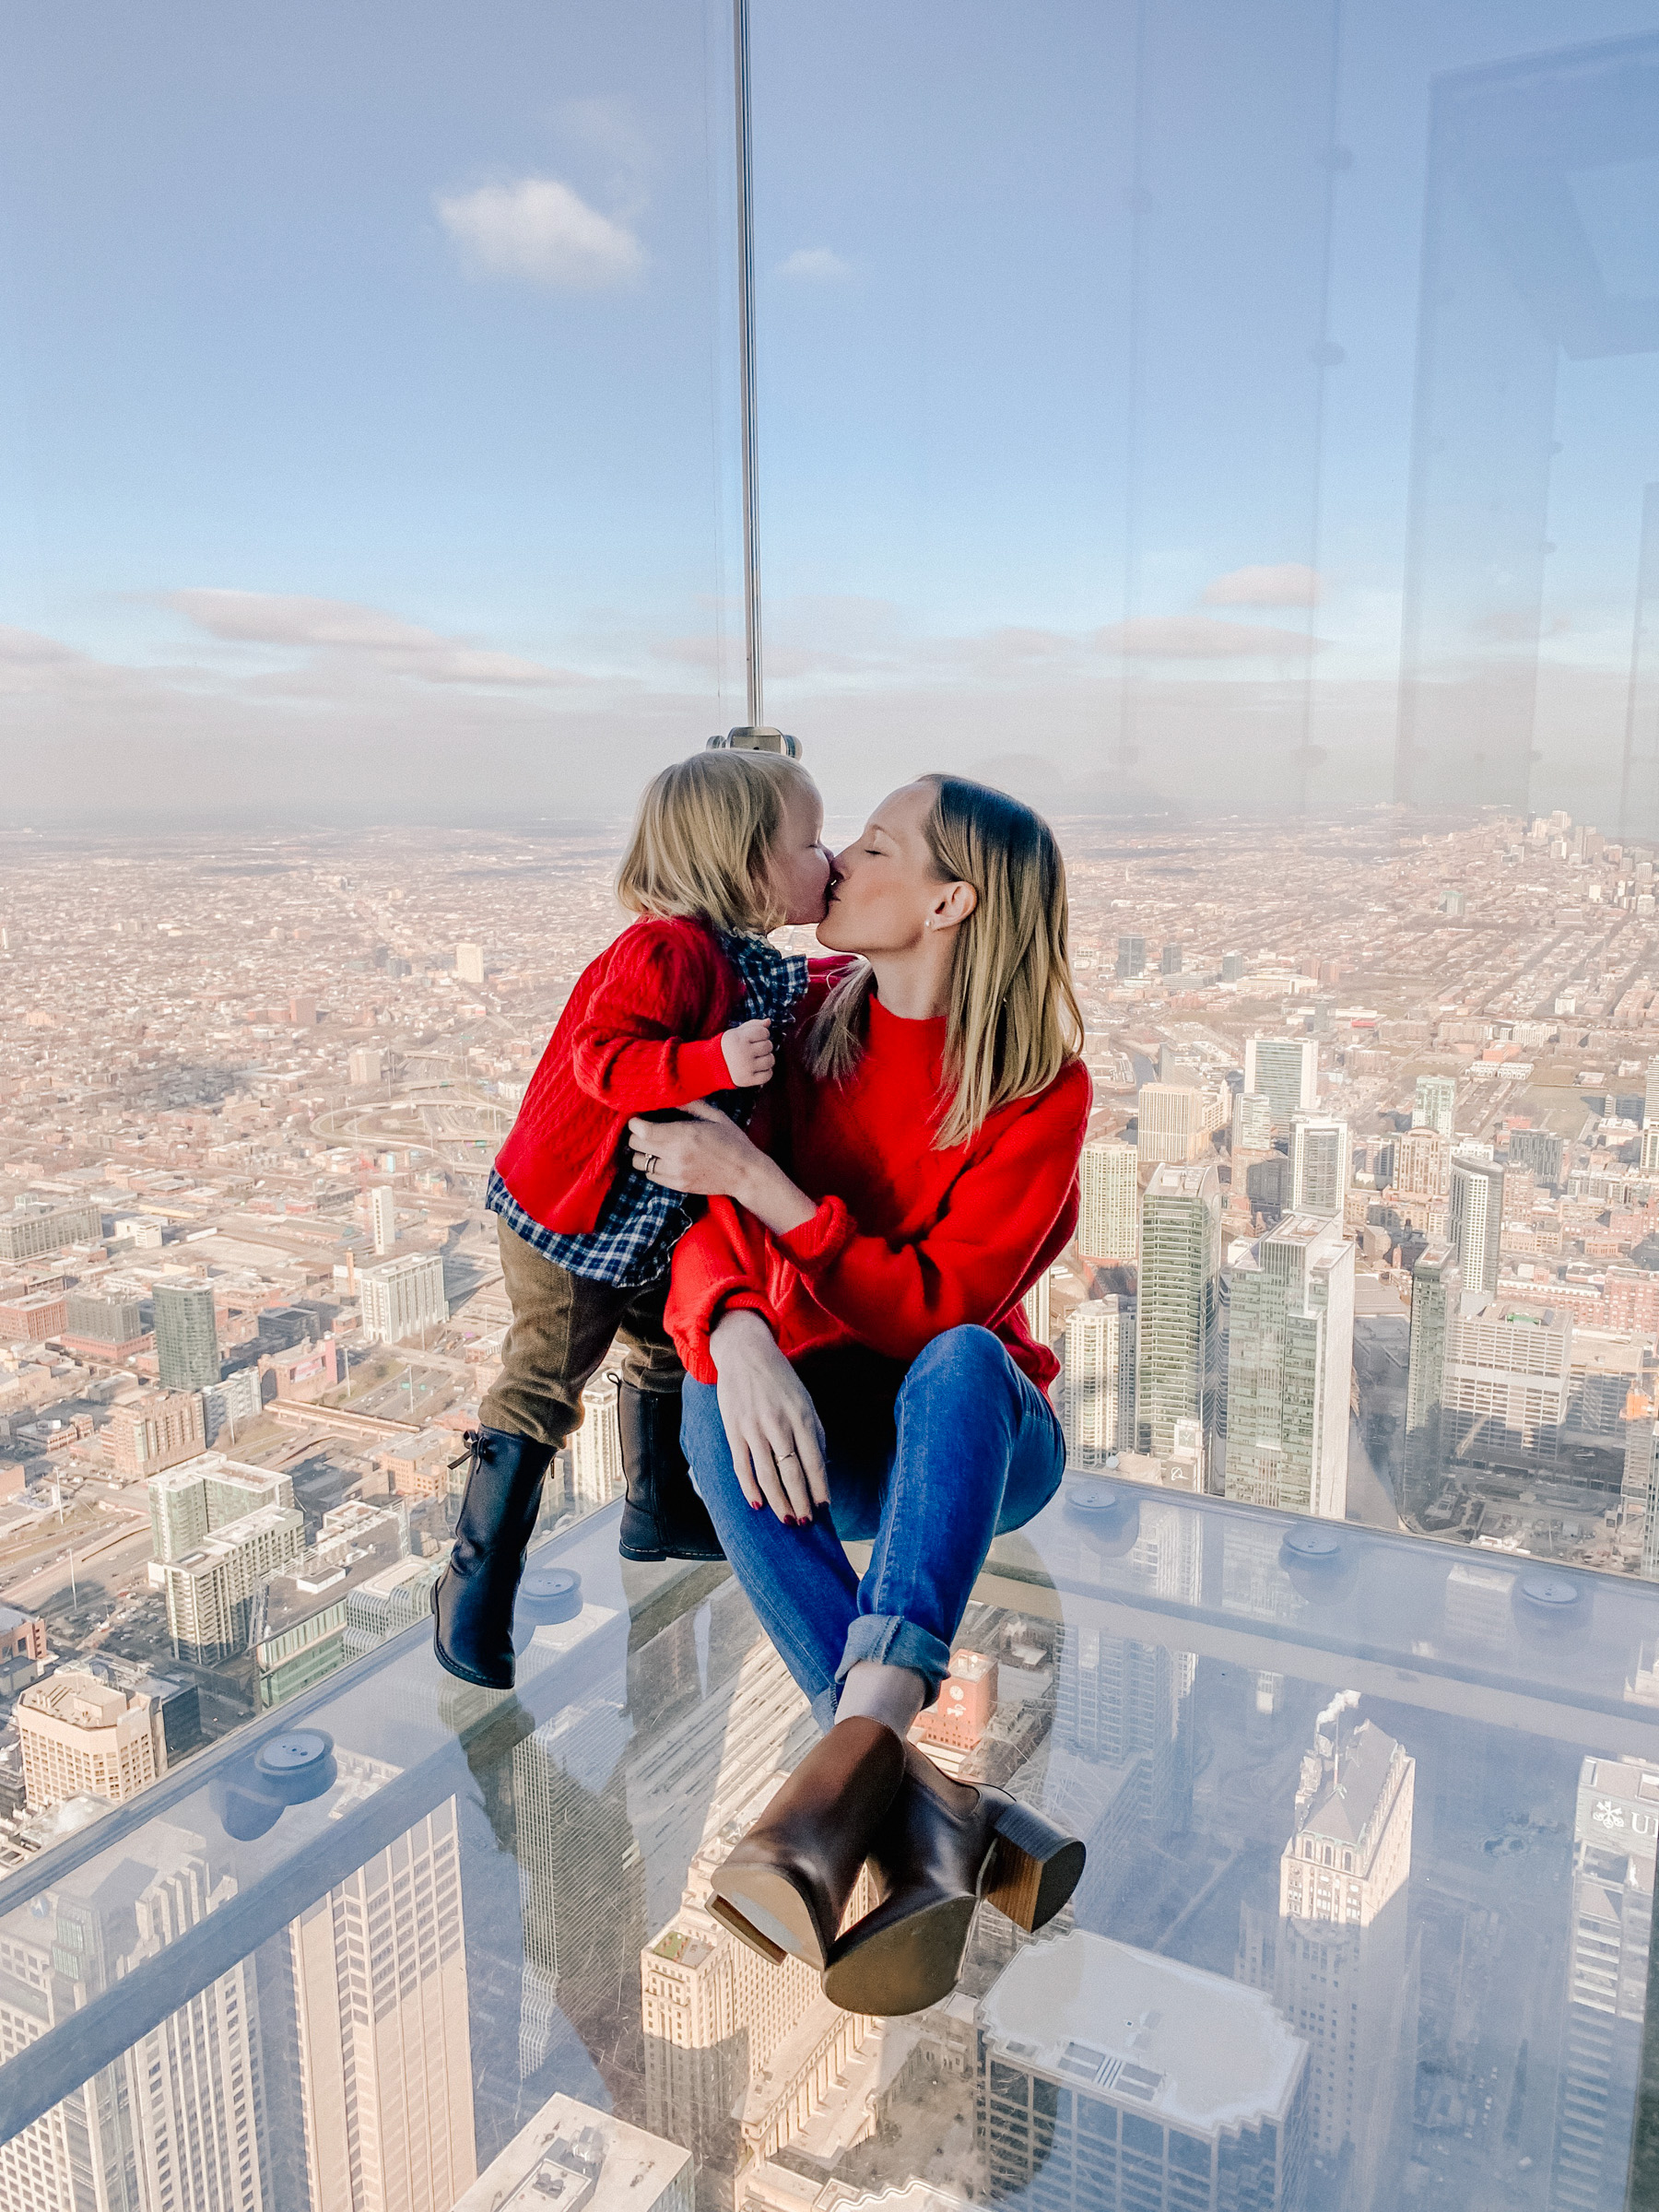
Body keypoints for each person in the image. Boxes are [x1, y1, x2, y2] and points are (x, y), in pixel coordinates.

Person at [628, 774, 1090, 2017]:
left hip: (976, 1439)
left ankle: (862, 1749)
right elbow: (701, 1218)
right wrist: (736, 1324)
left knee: (956, 1362)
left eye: (876, 847)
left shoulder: (1039, 1091)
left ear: (949, 900)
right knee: (707, 1397)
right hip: (835, 1439)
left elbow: (939, 1312)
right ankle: (919, 1802)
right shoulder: (807, 1017)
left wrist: (769, 1191)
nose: (834, 864)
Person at [432, 748, 831, 1689]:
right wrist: (713, 1065)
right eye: (810, 844)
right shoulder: (664, 952)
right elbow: (602, 1063)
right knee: (545, 1376)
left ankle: (662, 1513)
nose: (832, 860)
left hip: (643, 1215)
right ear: (742, 864)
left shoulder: (741, 961)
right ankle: (474, 1583)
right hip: (569, 1218)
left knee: (661, 1350)